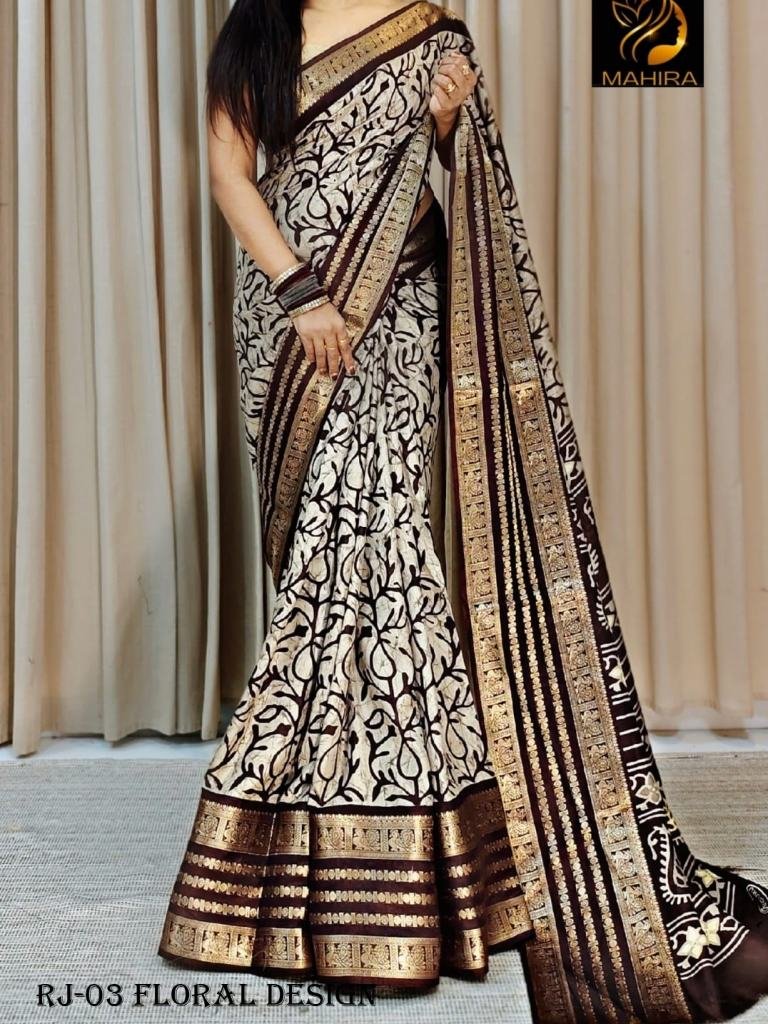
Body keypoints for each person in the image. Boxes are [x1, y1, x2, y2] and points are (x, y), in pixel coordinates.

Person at [158, 3, 768, 1020]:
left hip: (399, 304)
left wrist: (449, 123)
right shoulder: (260, 22)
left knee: (380, 547)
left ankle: (377, 873)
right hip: (290, 312)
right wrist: (301, 289)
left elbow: (456, 177)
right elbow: (229, 171)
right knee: (328, 559)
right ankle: (412, 866)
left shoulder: (431, 29)